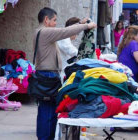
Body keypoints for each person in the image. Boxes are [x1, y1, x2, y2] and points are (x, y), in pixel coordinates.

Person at [34, 7, 96, 140]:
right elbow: (65, 31)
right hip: (48, 77)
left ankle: (44, 137)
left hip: (44, 76)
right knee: (48, 112)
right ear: (46, 20)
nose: (56, 23)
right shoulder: (45, 32)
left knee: (45, 110)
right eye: (54, 20)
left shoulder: (39, 32)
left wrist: (80, 24)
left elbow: (64, 30)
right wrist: (86, 26)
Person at [57, 17, 80, 81]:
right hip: (61, 72)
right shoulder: (64, 38)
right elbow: (72, 51)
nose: (76, 35)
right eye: (77, 32)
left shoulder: (65, 38)